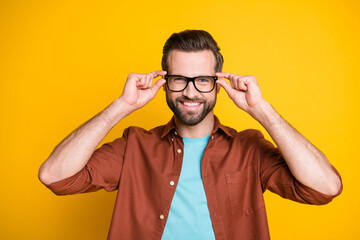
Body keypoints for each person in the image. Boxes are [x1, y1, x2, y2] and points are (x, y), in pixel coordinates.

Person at [38, 30, 342, 240]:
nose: (190, 91)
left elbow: (325, 187)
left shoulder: (248, 148)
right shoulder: (135, 146)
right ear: (165, 81)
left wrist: (261, 110)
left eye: (203, 80)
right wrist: (122, 106)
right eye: (180, 79)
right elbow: (54, 175)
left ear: (218, 83)